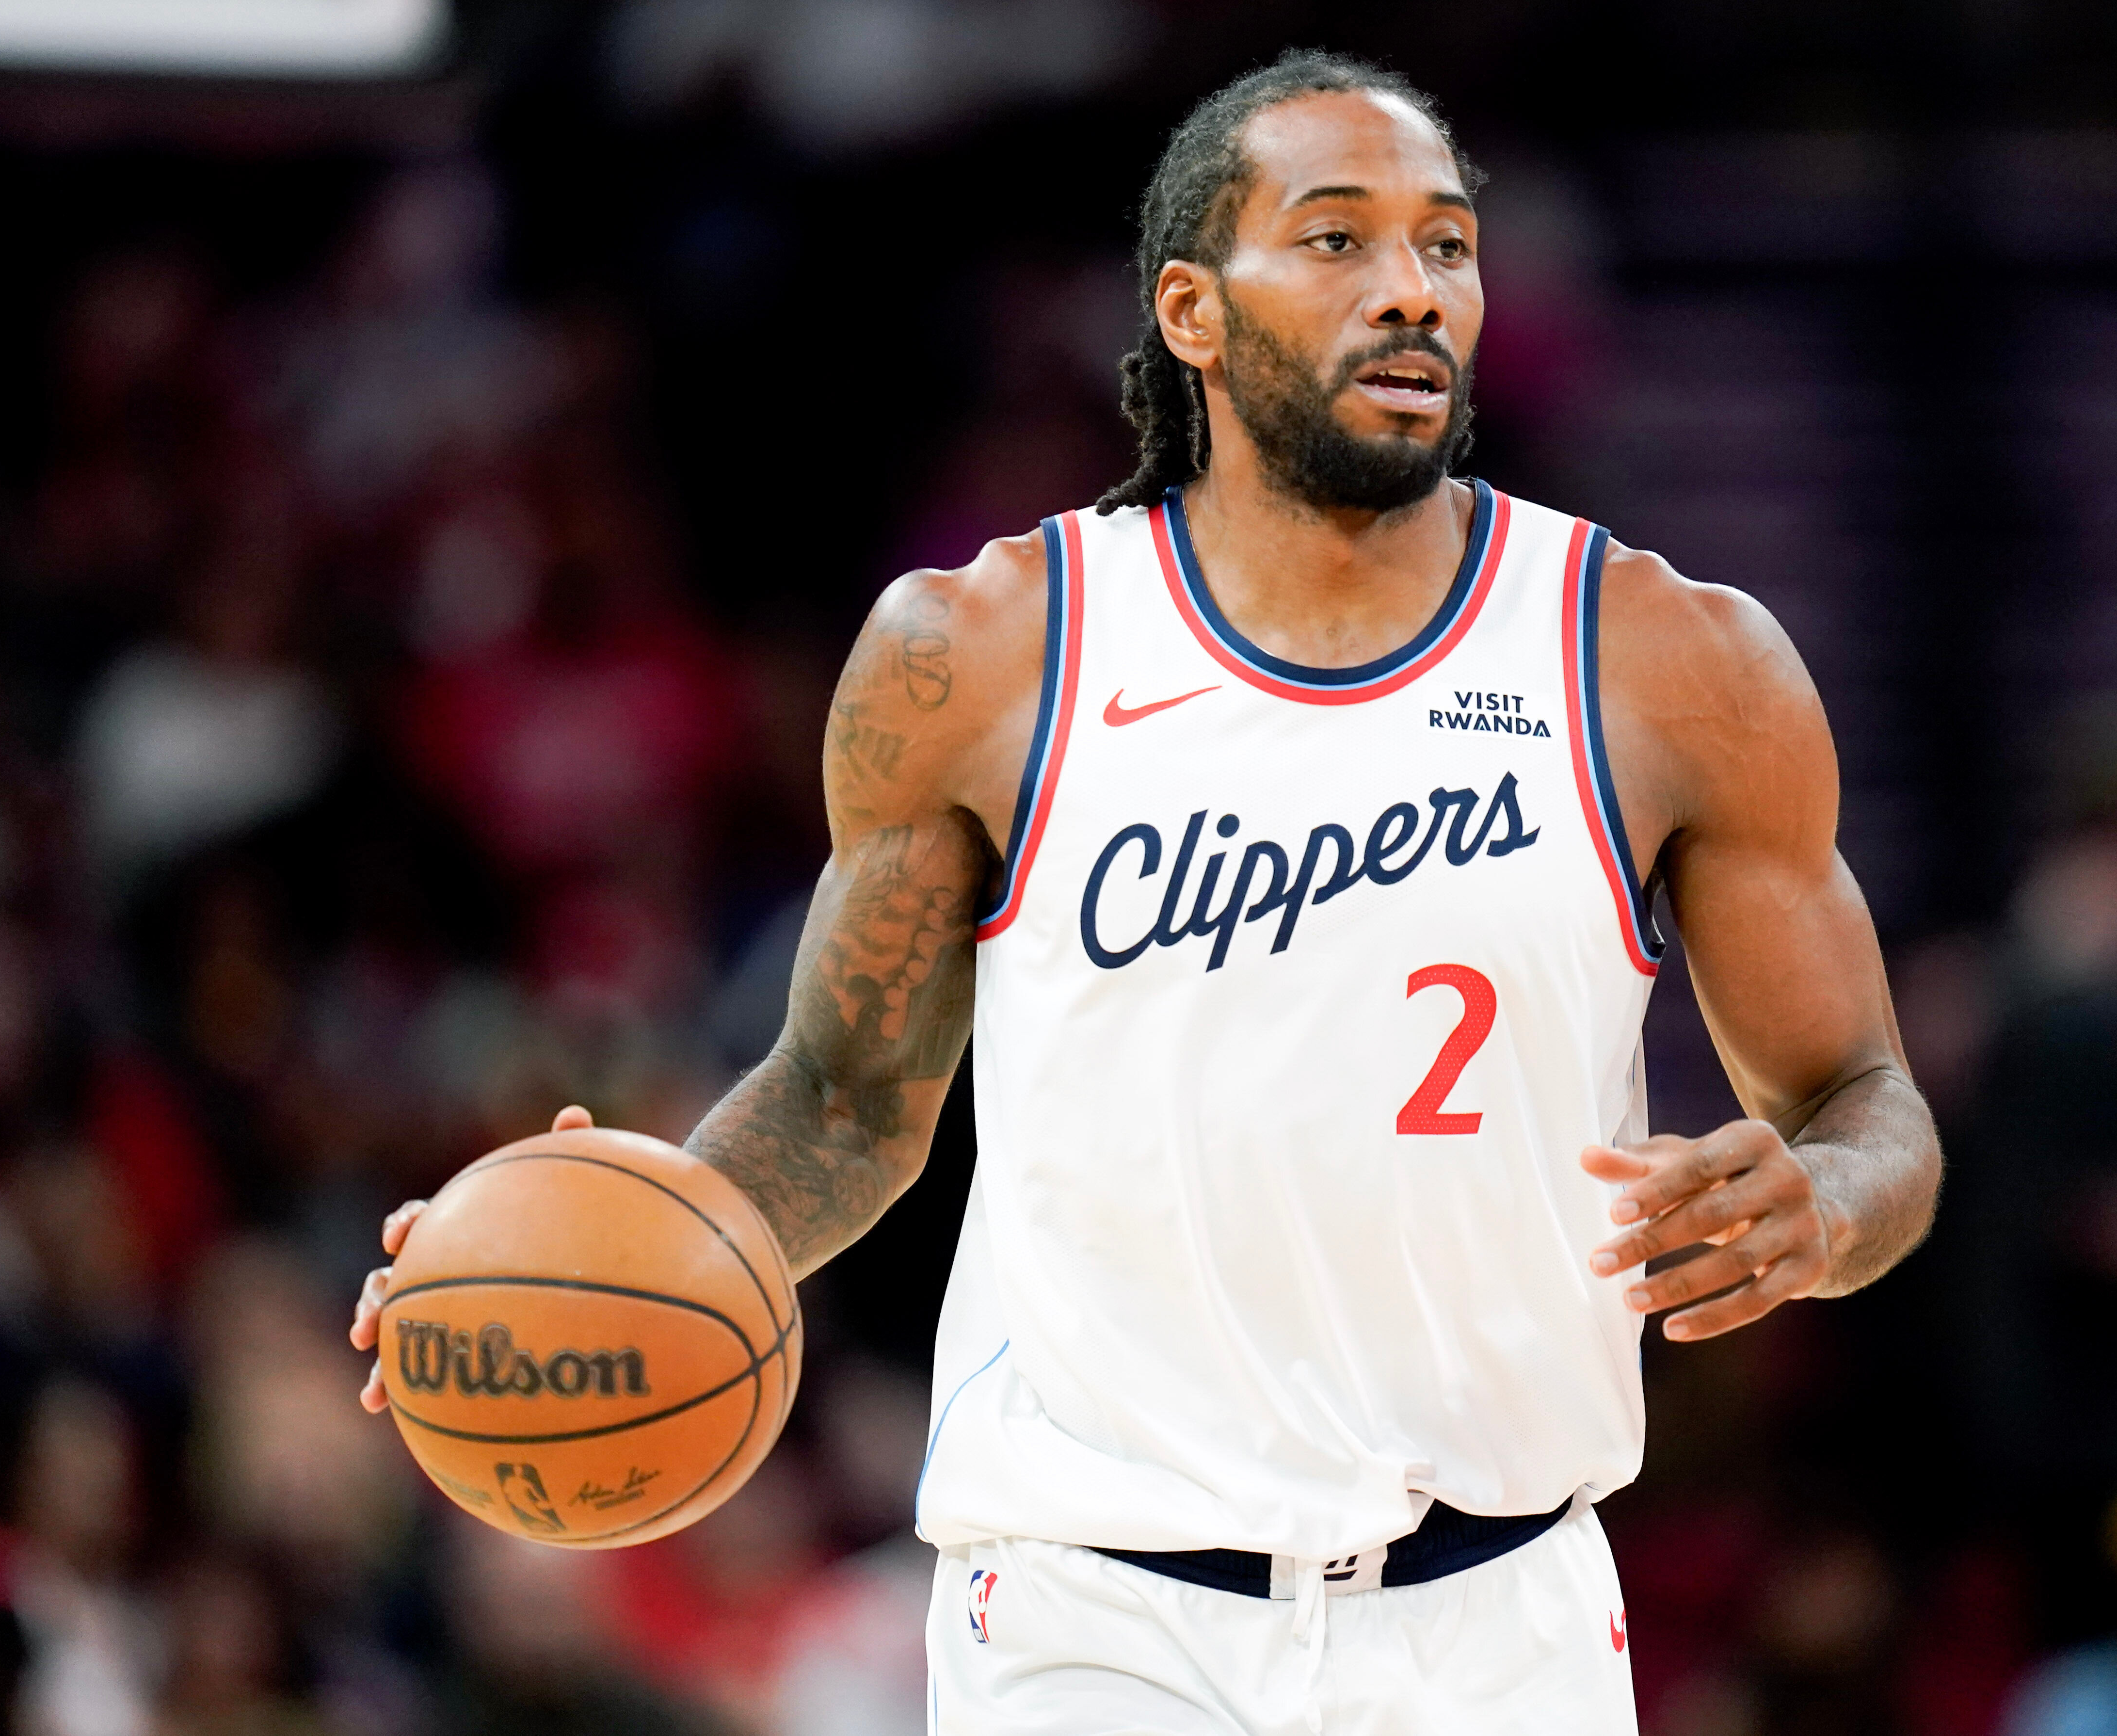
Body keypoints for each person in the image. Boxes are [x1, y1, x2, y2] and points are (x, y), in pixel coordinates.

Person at [350, 50, 1942, 1735]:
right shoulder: (981, 653)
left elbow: (1869, 1103)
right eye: (1336, 240)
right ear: (1190, 306)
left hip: (1502, 1615)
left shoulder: (1670, 662)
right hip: (1092, 1614)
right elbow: (843, 1097)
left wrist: (1826, 1202)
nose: (1410, 290)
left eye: (1447, 245)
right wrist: (586, 1245)